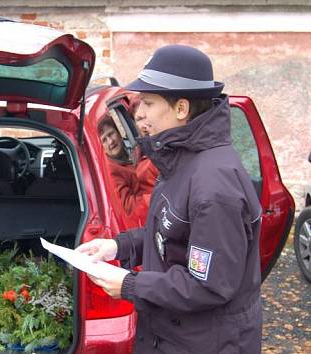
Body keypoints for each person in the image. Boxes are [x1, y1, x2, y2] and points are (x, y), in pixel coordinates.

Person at [77, 45, 263, 353]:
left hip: (205, 344)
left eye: (148, 103)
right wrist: (117, 246)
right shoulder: (180, 161)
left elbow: (208, 286)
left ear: (181, 109)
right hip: (173, 335)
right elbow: (170, 235)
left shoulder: (214, 184)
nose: (139, 114)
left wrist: (129, 285)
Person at [98, 117, 148, 217]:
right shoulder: (111, 170)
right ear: (101, 147)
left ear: (119, 133)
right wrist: (156, 197)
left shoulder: (131, 148)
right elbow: (130, 207)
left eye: (111, 134)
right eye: (104, 140)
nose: (110, 141)